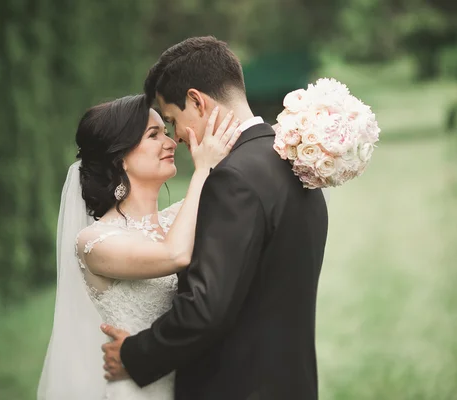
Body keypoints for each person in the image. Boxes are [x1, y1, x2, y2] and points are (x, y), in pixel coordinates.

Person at [100, 36, 329, 400]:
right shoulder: (298, 161)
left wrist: (134, 354)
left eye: (173, 120)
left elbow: (206, 307)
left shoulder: (231, 179)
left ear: (196, 100)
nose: (177, 137)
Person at [37, 94, 242, 399]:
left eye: (167, 132)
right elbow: (176, 254)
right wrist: (202, 170)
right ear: (120, 158)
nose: (171, 143)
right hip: (139, 387)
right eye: (154, 135)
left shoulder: (179, 218)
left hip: (194, 381)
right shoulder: (95, 242)